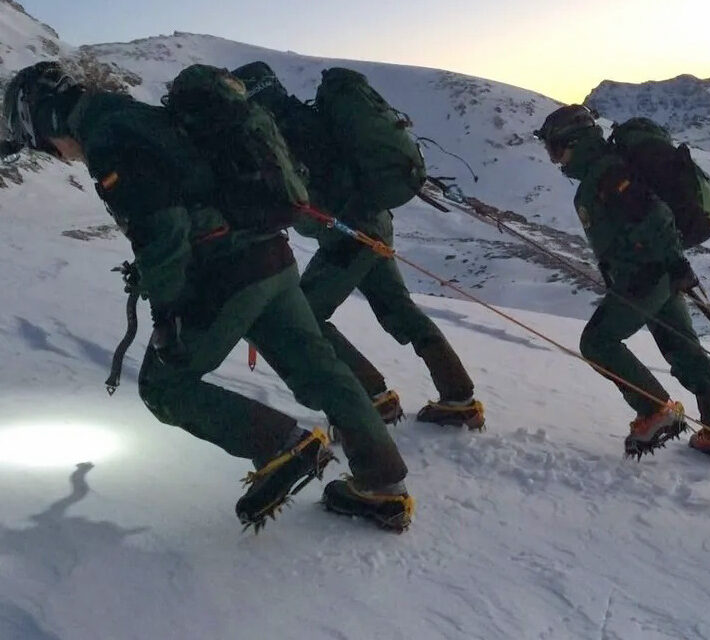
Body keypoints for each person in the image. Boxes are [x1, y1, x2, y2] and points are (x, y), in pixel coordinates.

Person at [2, 61, 414, 531]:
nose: (59, 156)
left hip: (226, 273)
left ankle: (281, 444)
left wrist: (168, 311)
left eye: (47, 145)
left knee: (164, 387)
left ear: (48, 120)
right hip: (272, 256)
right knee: (320, 368)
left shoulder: (108, 137)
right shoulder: (137, 116)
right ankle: (384, 489)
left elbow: (163, 227)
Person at [231, 61, 484, 430]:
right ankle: (459, 397)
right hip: (375, 222)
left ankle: (372, 397)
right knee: (398, 307)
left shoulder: (277, 132)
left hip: (348, 234)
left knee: (308, 315)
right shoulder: (306, 116)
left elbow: (296, 192)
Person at [535, 104, 710, 464]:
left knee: (597, 342)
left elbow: (657, 215)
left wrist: (673, 262)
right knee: (685, 351)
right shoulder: (605, 171)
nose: (556, 160)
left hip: (646, 274)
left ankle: (654, 410)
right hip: (658, 272)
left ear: (576, 142)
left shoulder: (607, 173)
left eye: (557, 149)